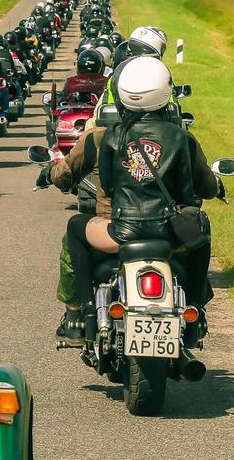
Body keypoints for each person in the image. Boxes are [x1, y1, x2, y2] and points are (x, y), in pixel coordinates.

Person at [65, 58, 221, 342]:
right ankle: (196, 305)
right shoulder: (181, 137)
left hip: (121, 233)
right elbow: (189, 194)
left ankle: (86, 309)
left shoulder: (111, 136)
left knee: (76, 226)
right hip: (169, 235)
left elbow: (109, 188)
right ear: (165, 92)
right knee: (202, 226)